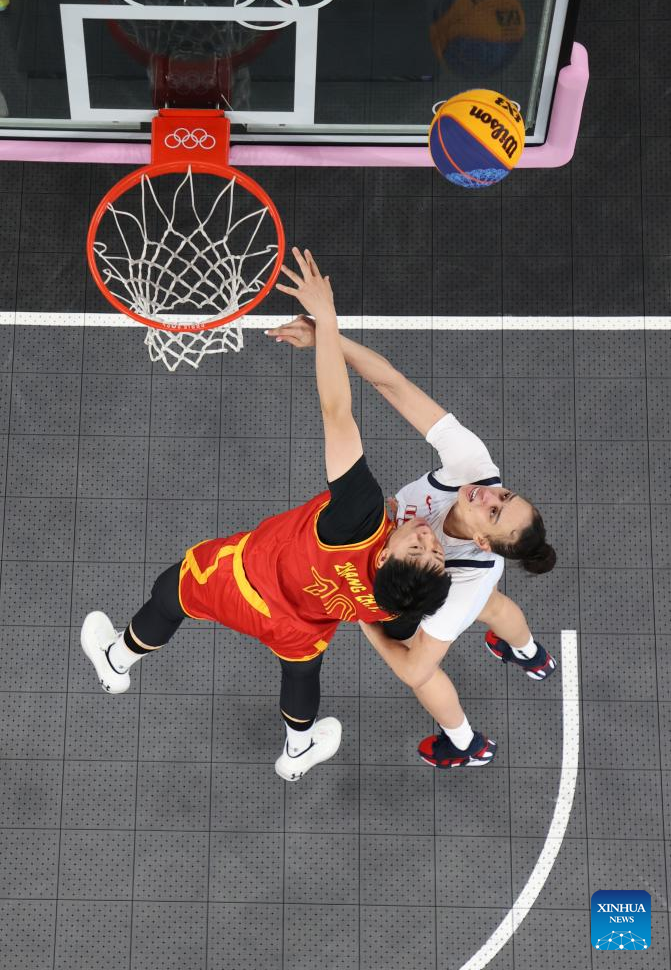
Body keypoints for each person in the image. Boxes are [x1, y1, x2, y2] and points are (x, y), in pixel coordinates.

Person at [81, 248, 450, 781]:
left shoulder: (360, 517)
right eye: (435, 550)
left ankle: (116, 661)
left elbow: (337, 411)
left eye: (418, 547)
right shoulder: (402, 602)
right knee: (301, 674)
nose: (427, 536)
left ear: (388, 557)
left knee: (172, 590)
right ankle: (296, 752)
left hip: (245, 581)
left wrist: (326, 319)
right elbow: (394, 627)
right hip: (304, 626)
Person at [267, 314, 557, 769]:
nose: (489, 495)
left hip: (430, 586)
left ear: (483, 541)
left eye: (494, 512)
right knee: (496, 607)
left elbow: (415, 668)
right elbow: (392, 383)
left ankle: (465, 744)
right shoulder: (474, 467)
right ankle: (529, 654)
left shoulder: (461, 588)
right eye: (505, 495)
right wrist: (326, 338)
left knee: (432, 665)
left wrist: (369, 621)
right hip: (443, 569)